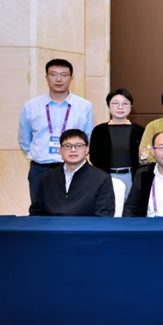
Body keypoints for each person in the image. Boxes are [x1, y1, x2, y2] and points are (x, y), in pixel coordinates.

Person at [18, 59, 95, 207]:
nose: (58, 79)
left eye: (64, 75)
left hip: (74, 168)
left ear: (71, 78)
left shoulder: (84, 106)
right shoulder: (31, 106)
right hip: (41, 168)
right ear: (46, 77)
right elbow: (24, 139)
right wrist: (40, 153)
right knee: (39, 211)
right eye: (53, 74)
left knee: (74, 209)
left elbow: (88, 137)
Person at [29, 129, 115, 217]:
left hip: (87, 225)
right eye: (67, 146)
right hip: (52, 225)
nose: (73, 150)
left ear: (87, 150)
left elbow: (104, 215)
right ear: (60, 151)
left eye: (79, 146)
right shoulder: (46, 179)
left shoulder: (101, 179)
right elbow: (36, 213)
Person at [89, 89, 144, 199]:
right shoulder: (99, 130)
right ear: (108, 106)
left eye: (125, 103)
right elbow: (94, 157)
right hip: (107, 177)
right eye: (115, 103)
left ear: (131, 106)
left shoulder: (139, 130)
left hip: (132, 177)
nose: (120, 107)